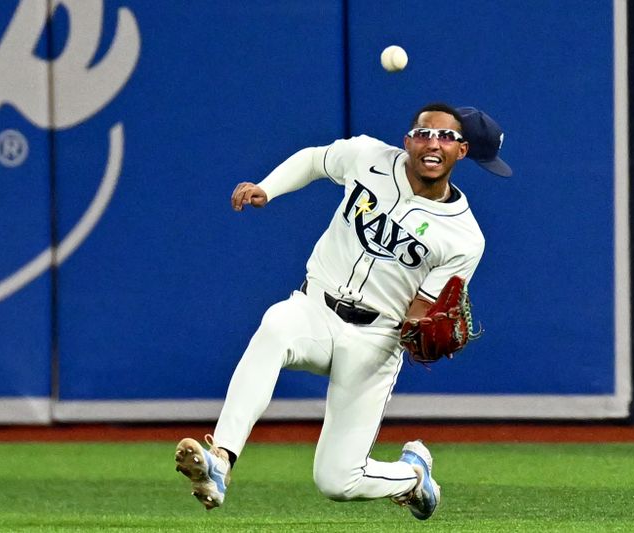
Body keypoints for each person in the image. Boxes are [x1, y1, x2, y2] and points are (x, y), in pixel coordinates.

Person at [174, 103, 511, 520]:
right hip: (315, 307)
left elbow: (422, 310)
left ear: (462, 152)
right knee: (275, 327)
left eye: (446, 138)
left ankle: (412, 478)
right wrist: (268, 188)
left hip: (374, 341)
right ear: (408, 140)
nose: (432, 144)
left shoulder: (464, 238)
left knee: (337, 481)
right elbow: (314, 160)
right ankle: (220, 461)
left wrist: (422, 328)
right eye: (424, 133)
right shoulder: (369, 157)